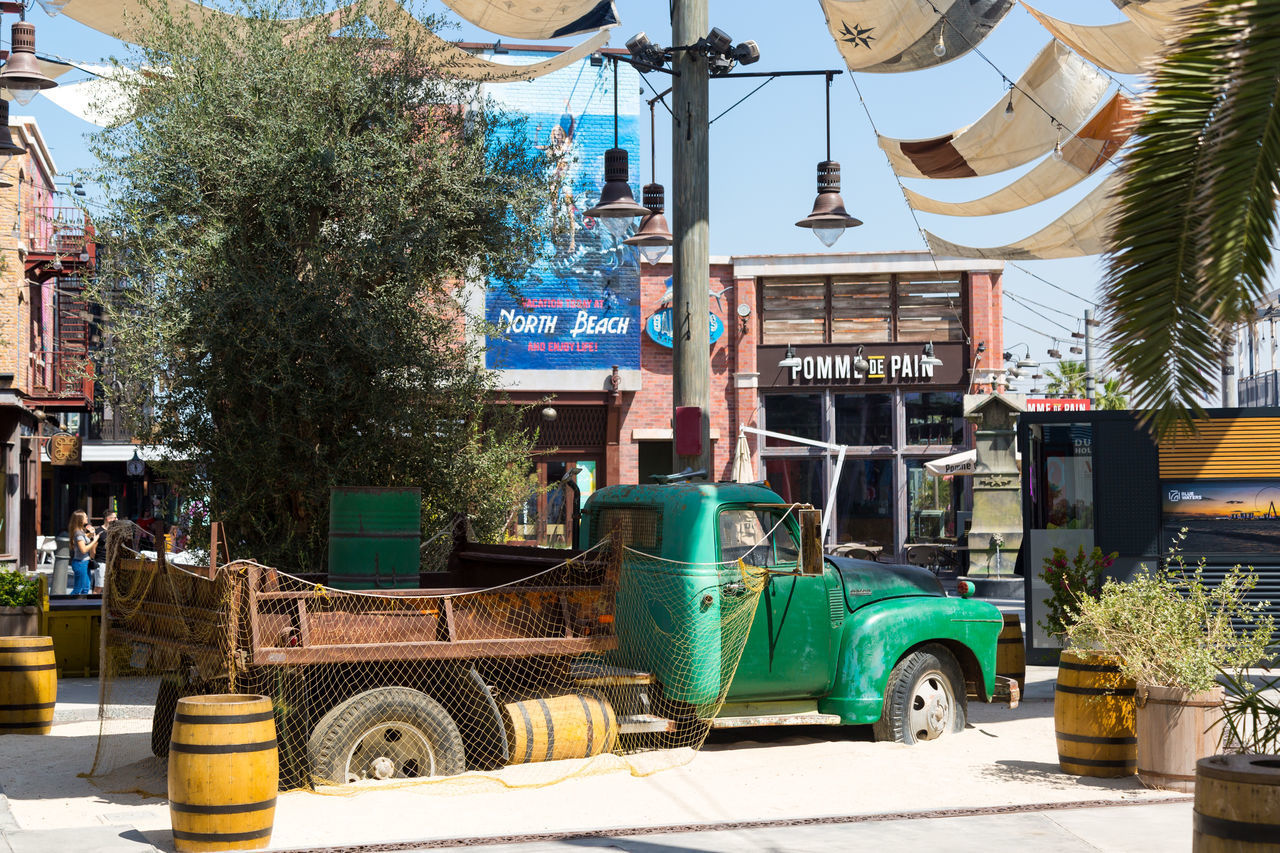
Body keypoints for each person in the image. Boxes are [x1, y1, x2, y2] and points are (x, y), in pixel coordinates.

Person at [68, 510, 99, 596]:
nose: (87, 518)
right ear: (80, 519)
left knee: (85, 588)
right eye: (85, 517)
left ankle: (78, 606)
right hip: (80, 563)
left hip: (84, 562)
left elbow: (85, 538)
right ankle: (69, 606)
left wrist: (91, 534)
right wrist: (95, 541)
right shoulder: (78, 533)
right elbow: (84, 549)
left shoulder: (81, 531)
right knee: (78, 589)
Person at [93, 511, 118, 593]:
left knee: (109, 588)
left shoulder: (114, 531)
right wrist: (94, 560)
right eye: (114, 518)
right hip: (101, 562)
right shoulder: (99, 531)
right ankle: (92, 605)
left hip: (111, 562)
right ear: (108, 519)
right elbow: (93, 548)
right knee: (99, 587)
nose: (116, 519)